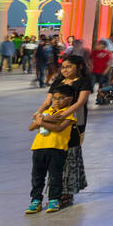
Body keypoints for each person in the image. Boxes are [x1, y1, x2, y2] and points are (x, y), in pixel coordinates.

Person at [37, 55, 93, 208]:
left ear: (79, 67)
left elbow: (81, 102)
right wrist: (39, 113)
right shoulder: (57, 81)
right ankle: (55, 192)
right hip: (54, 120)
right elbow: (48, 101)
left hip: (75, 121)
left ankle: (67, 192)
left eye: (69, 66)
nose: (65, 69)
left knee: (70, 154)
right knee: (55, 154)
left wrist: (63, 115)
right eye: (63, 67)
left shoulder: (83, 81)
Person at [26, 90, 77, 215]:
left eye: (61, 98)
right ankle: (36, 200)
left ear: (70, 99)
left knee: (55, 175)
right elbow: (31, 127)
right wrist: (45, 118)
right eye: (54, 98)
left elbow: (58, 128)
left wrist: (42, 121)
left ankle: (54, 199)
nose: (56, 101)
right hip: (39, 147)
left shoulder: (68, 114)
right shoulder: (46, 112)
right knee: (37, 176)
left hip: (57, 148)